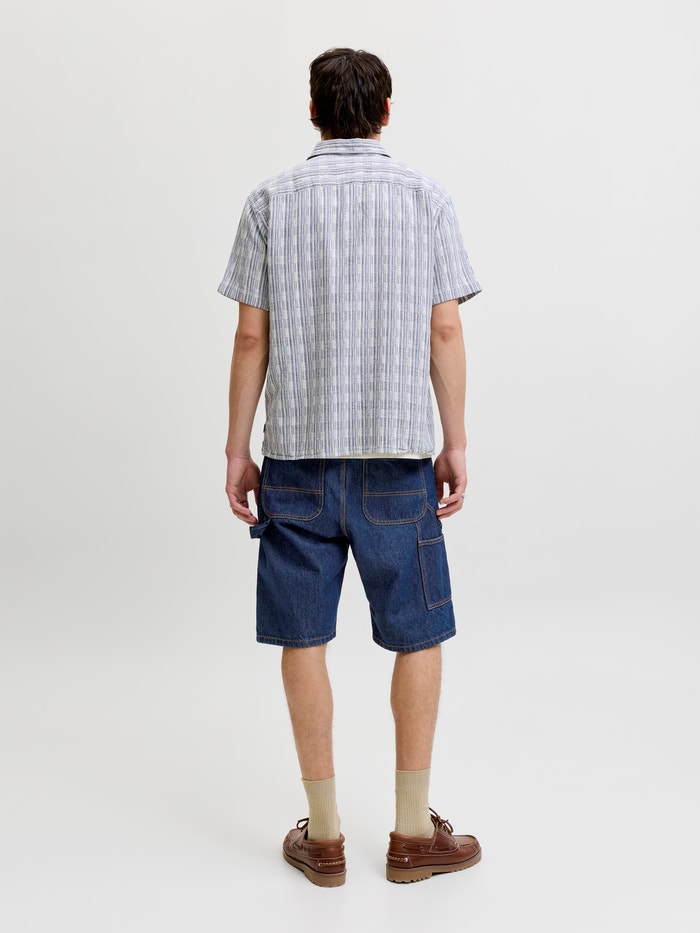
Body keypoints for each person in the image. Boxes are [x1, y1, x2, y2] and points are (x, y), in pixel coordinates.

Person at [218, 47, 482, 886]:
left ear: (313, 111)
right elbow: (446, 327)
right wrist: (455, 439)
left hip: (296, 461)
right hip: (396, 460)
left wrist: (236, 447)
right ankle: (411, 831)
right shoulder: (426, 196)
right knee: (419, 632)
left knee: (304, 636)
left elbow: (251, 335)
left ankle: (325, 835)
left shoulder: (270, 199)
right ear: (386, 112)